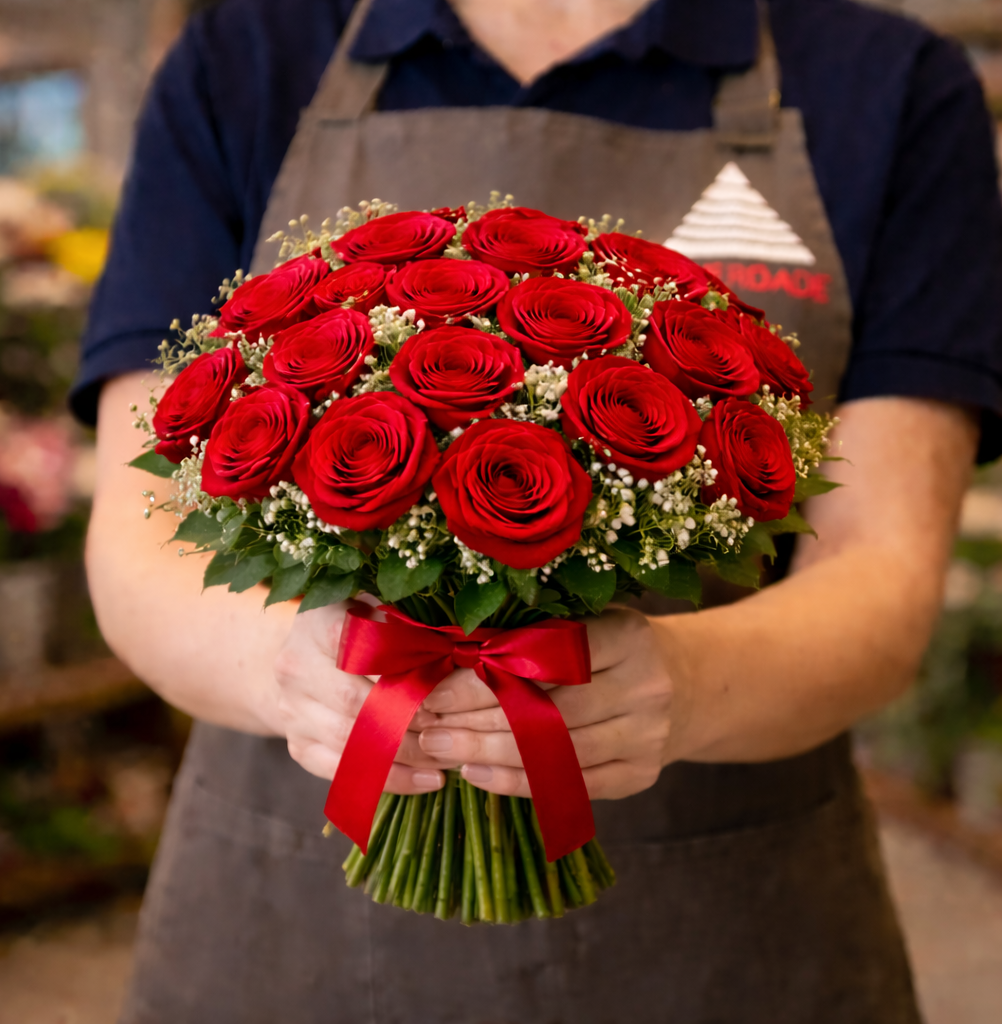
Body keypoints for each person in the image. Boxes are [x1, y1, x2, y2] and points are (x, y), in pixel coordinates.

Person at [75, 0, 1002, 1020]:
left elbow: (882, 563)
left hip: (720, 940)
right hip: (289, 936)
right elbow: (138, 529)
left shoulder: (885, 83)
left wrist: (687, 685)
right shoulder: (245, 58)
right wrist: (294, 675)